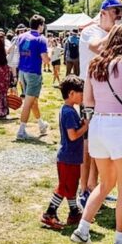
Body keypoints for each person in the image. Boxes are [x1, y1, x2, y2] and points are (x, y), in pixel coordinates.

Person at [71, 24, 122, 244]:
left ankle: (83, 229)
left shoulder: (95, 64)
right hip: (118, 125)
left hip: (98, 124)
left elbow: (88, 100)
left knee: (105, 183)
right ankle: (121, 240)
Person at [77, 0, 122, 204]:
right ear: (104, 12)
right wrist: (116, 35)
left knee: (103, 143)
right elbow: (96, 48)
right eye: (117, 12)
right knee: (89, 144)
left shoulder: (110, 34)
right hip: (89, 93)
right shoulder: (91, 31)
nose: (120, 16)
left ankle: (97, 187)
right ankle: (84, 190)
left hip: (106, 93)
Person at [41, 75, 88, 230]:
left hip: (71, 156)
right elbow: (73, 135)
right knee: (64, 187)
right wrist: (86, 126)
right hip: (68, 156)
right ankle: (50, 213)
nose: (83, 95)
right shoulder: (68, 112)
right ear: (71, 94)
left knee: (71, 186)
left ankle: (74, 212)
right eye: (80, 93)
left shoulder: (68, 110)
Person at [15, 15, 51, 140]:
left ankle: (41, 124)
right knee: (28, 102)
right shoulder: (41, 39)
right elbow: (45, 59)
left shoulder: (21, 36)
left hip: (22, 72)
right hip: (34, 73)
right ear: (40, 25)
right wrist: (51, 54)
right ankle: (21, 131)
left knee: (32, 100)